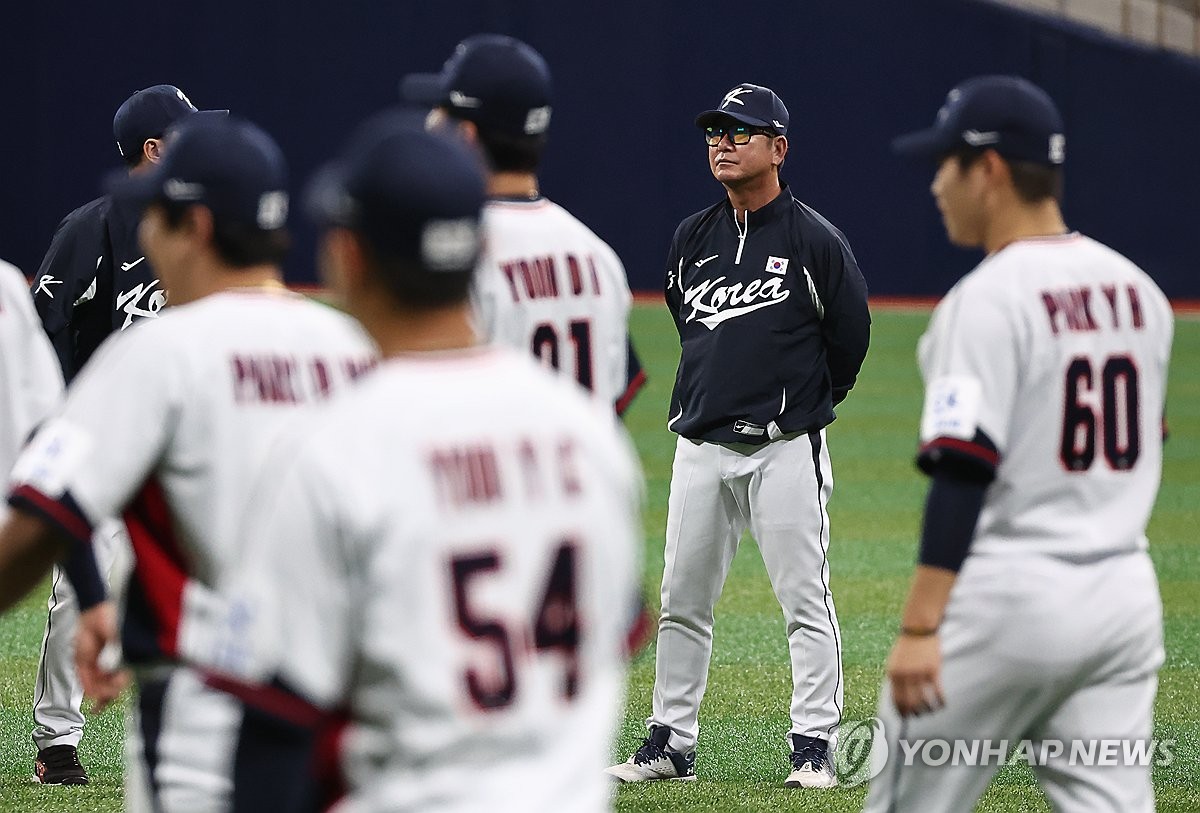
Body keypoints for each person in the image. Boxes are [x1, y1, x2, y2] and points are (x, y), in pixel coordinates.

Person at [203, 112, 644, 812]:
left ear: (347, 254)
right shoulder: (589, 439)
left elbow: (272, 723)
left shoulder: (331, 447)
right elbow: (619, 627)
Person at [0, 115, 377, 812]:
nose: (146, 230)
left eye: (158, 217)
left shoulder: (156, 354)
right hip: (342, 724)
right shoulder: (350, 347)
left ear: (195, 227)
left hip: (201, 720)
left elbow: (42, 512)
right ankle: (59, 739)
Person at [867, 75, 1173, 812]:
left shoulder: (986, 299)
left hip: (1012, 600)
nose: (937, 183)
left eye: (946, 164)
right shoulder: (1140, 291)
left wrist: (918, 624)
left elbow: (962, 469)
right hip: (1125, 601)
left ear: (990, 170)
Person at [607, 83, 871, 788]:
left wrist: (806, 403)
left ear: (778, 148)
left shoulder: (814, 239)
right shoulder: (691, 238)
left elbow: (850, 337)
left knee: (803, 601)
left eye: (741, 132)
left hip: (786, 445)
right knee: (682, 598)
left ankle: (813, 745)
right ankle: (670, 742)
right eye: (715, 132)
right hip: (701, 443)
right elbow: (687, 324)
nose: (722, 141)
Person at [26, 83, 224, 785]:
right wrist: (56, 419)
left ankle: (205, 728)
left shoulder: (202, 225)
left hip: (186, 440)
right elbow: (39, 325)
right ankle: (57, 742)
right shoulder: (96, 225)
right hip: (104, 435)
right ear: (155, 149)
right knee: (83, 585)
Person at [401, 33, 646, 416]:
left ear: (466, 135)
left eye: (441, 111)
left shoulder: (454, 255)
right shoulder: (599, 258)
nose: (431, 124)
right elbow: (619, 393)